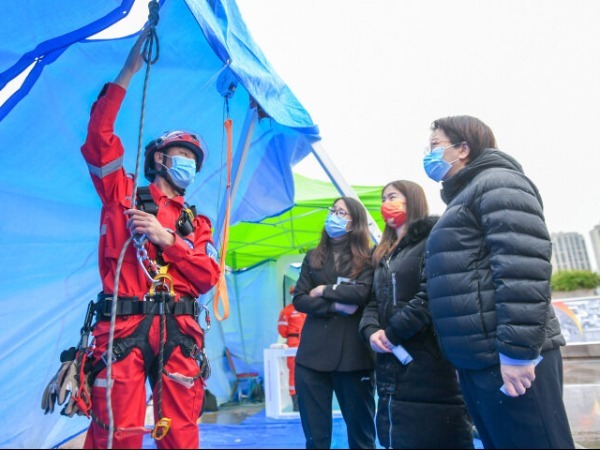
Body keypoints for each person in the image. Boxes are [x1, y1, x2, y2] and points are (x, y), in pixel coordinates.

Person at [80, 30, 220, 448]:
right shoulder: (121, 195)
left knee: (180, 435)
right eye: (183, 156)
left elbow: (208, 275)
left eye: (194, 160)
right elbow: (99, 140)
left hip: (179, 333)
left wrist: (168, 240)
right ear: (159, 158)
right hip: (123, 329)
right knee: (118, 434)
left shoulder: (197, 223)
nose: (190, 165)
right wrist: (128, 72)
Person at [421, 115, 574, 449]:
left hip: (508, 357)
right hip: (481, 359)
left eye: (435, 145)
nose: (428, 154)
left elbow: (522, 269)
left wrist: (517, 354)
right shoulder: (463, 198)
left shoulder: (498, 183)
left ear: (463, 148)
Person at [358, 180, 474, 449]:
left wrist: (393, 332)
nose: (386, 204)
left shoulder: (434, 239)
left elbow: (431, 295)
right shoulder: (383, 253)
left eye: (392, 196)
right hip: (390, 364)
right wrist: (370, 331)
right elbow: (373, 301)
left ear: (413, 200)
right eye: (383, 198)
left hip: (430, 361)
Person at [293, 197, 376, 449]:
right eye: (333, 210)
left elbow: (362, 293)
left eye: (342, 213)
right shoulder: (313, 257)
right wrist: (335, 306)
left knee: (361, 436)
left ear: (355, 223)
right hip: (312, 357)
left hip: (354, 357)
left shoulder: (369, 257)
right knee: (316, 438)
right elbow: (300, 299)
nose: (334, 216)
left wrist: (323, 290)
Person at [277, 286, 307, 411]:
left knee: (310, 371)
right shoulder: (287, 311)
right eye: (293, 293)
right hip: (294, 343)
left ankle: (307, 401)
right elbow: (282, 331)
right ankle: (296, 404)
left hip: (308, 342)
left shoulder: (308, 309)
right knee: (294, 372)